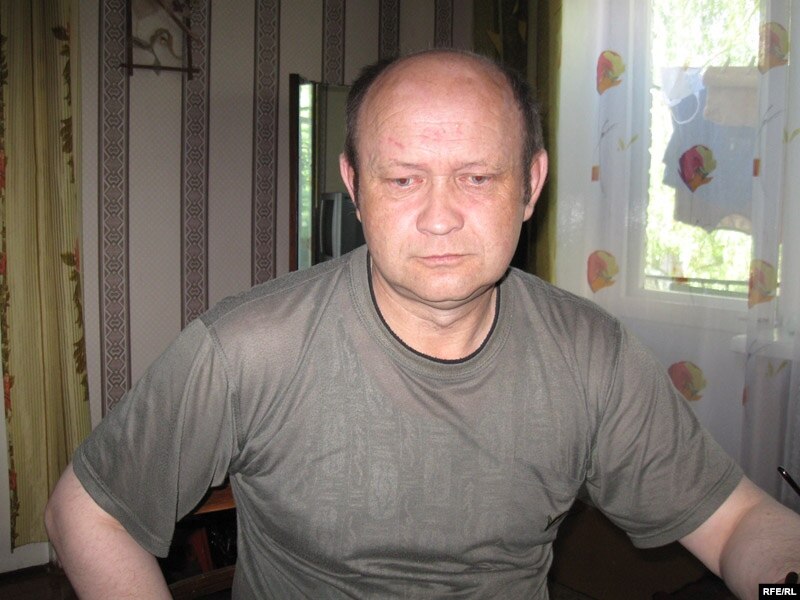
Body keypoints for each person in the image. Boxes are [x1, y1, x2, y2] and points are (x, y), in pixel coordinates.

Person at [45, 49, 798, 600]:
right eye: (404, 179)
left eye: (477, 177)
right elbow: (87, 511)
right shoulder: (247, 348)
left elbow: (738, 524)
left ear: (530, 184)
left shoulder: (592, 355)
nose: (440, 217)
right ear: (354, 186)